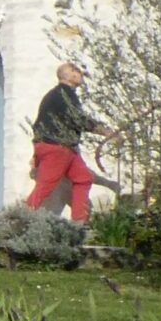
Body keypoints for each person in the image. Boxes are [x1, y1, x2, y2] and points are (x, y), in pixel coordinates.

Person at [27, 61, 115, 223]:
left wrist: (38, 151)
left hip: (64, 147)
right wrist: (106, 132)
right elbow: (78, 119)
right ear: (70, 75)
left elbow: (40, 124)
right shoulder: (64, 93)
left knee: (83, 178)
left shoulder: (58, 94)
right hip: (57, 147)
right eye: (78, 72)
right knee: (45, 186)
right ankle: (20, 221)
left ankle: (79, 223)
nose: (81, 75)